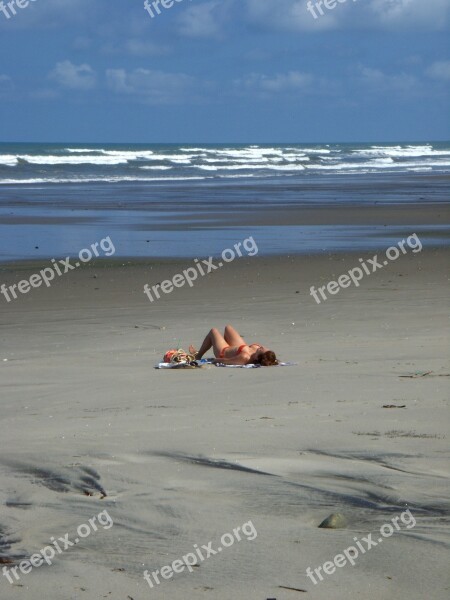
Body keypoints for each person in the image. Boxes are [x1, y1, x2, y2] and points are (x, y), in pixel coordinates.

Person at [190, 324, 278, 366]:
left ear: (256, 357)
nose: (263, 347)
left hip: (224, 351)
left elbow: (227, 361)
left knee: (213, 331)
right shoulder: (259, 351)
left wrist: (215, 360)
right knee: (228, 328)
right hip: (240, 348)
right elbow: (270, 360)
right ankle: (223, 341)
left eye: (263, 349)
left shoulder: (245, 357)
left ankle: (198, 355)